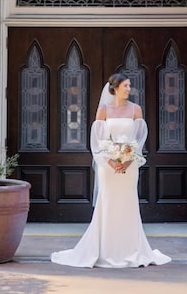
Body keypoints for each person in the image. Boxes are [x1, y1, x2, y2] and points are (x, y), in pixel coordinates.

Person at [50, 73, 171, 268]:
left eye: (129, 86)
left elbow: (139, 141)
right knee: (107, 203)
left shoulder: (135, 110)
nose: (129, 89)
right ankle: (104, 250)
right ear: (114, 88)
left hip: (129, 166)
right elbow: (98, 142)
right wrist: (110, 161)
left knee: (128, 203)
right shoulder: (103, 110)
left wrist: (129, 160)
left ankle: (131, 249)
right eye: (125, 86)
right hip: (108, 167)